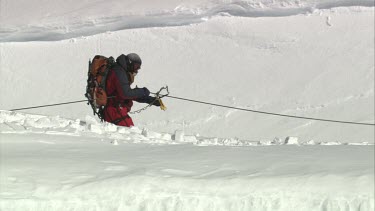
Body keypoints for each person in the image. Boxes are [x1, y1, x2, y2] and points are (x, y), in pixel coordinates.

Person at [103, 53, 160, 127]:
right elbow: (126, 94)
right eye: (136, 66)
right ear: (129, 63)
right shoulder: (119, 72)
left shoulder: (122, 71)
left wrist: (149, 100)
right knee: (130, 134)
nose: (136, 70)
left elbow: (127, 94)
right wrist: (143, 91)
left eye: (138, 68)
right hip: (114, 110)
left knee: (128, 135)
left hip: (117, 109)